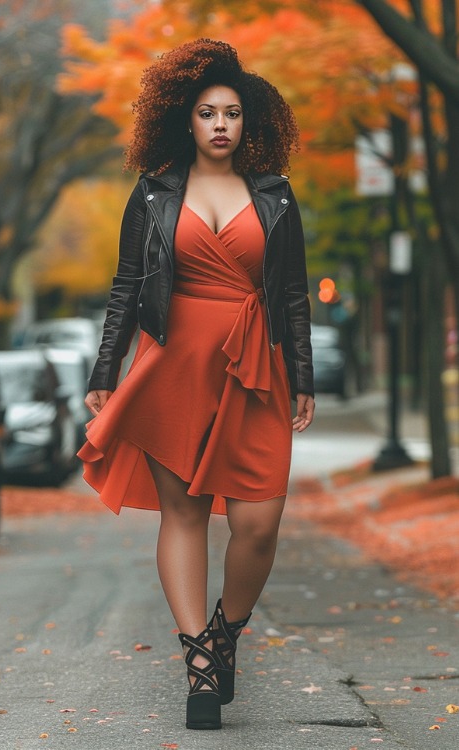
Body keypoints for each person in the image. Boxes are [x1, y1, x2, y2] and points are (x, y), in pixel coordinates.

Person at [78, 38, 315, 731]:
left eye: (233, 113)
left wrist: (302, 374)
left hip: (256, 368)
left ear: (250, 123)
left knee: (258, 525)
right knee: (182, 512)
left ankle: (226, 632)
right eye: (208, 112)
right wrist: (106, 368)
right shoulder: (153, 189)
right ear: (185, 119)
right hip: (172, 362)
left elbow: (292, 291)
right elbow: (127, 284)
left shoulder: (274, 194)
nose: (220, 124)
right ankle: (200, 664)